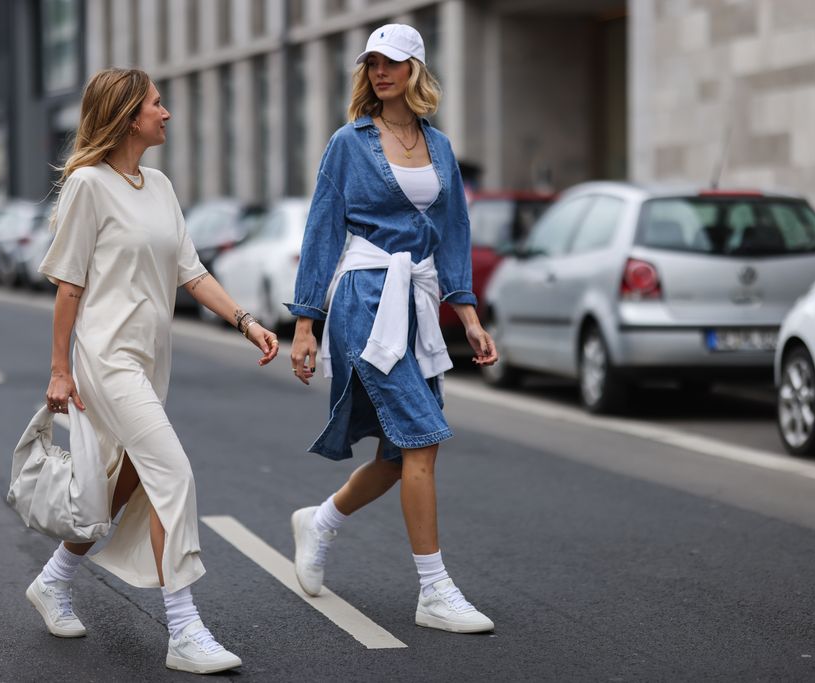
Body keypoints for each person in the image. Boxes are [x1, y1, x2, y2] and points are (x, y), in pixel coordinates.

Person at [30, 68, 279, 675]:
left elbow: (190, 273)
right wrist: (60, 370)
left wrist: (247, 322)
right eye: (156, 104)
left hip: (148, 360)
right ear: (125, 116)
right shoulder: (88, 185)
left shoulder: (160, 186)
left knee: (127, 482)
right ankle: (185, 629)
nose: (166, 113)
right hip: (106, 357)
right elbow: (68, 287)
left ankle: (52, 579)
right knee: (174, 474)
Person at [286, 25, 498, 633]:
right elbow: (321, 232)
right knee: (422, 440)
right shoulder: (348, 144)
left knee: (396, 454)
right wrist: (307, 324)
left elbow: (453, 232)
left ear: (416, 71)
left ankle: (319, 521)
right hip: (364, 298)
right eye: (373, 63)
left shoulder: (440, 146)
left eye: (393, 63)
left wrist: (469, 316)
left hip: (414, 303)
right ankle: (434, 590)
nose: (381, 72)